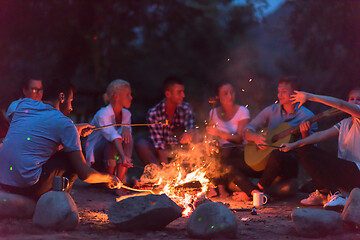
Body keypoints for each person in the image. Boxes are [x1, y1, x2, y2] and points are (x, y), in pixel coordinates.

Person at [0, 79, 121, 200]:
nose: (71, 108)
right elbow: (85, 174)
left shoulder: (24, 105)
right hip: (27, 187)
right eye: (71, 101)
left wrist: (74, 129)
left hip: (4, 182)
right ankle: (58, 201)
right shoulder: (65, 124)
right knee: (71, 157)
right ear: (62, 97)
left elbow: (40, 128)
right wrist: (109, 178)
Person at [231, 77, 317, 200]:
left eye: (284, 91)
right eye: (278, 91)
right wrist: (255, 137)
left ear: (295, 94)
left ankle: (257, 191)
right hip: (265, 162)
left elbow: (310, 150)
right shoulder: (271, 110)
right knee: (230, 161)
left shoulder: (307, 116)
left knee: (278, 154)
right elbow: (248, 129)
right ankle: (252, 190)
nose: (279, 95)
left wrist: (305, 135)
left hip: (287, 164)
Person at [280, 88, 360, 210]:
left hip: (356, 174)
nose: (354, 102)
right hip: (346, 172)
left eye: (359, 99)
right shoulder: (345, 122)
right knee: (305, 150)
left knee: (308, 156)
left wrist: (310, 96)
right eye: (352, 99)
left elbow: (340, 104)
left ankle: (336, 195)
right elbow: (320, 135)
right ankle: (324, 194)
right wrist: (294, 144)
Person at [135, 76, 197, 166]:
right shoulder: (154, 113)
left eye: (183, 91)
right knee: (141, 145)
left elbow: (192, 127)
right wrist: (166, 168)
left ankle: (192, 166)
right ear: (168, 94)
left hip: (180, 151)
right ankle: (158, 173)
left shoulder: (186, 108)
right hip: (162, 153)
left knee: (197, 134)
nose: (183, 95)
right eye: (179, 92)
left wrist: (189, 133)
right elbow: (158, 144)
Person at [86, 79, 133, 195]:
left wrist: (126, 128)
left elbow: (125, 138)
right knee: (112, 141)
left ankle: (119, 181)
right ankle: (111, 180)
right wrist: (122, 155)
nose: (131, 97)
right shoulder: (103, 114)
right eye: (127, 95)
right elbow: (112, 135)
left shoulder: (126, 114)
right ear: (116, 97)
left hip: (114, 154)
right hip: (97, 159)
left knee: (128, 138)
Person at [205, 82, 250, 197]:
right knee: (209, 150)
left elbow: (239, 139)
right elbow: (211, 136)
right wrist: (209, 142)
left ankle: (220, 188)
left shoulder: (242, 112)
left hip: (237, 149)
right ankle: (213, 187)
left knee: (224, 150)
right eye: (225, 94)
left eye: (232, 93)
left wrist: (220, 133)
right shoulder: (213, 112)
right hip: (220, 151)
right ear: (218, 97)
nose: (230, 96)